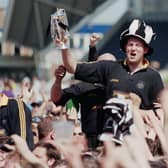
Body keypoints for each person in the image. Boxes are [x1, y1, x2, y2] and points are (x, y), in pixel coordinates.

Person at [55, 19, 164, 129]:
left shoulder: (153, 76)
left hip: (139, 139)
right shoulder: (110, 67)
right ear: (125, 47)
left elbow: (160, 112)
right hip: (109, 138)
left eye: (137, 45)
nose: (133, 48)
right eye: (130, 44)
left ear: (145, 50)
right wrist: (64, 46)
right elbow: (72, 67)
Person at [51, 33, 116, 149]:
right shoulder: (84, 88)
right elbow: (57, 99)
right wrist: (58, 80)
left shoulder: (124, 85)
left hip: (117, 141)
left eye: (111, 66)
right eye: (102, 66)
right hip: (91, 143)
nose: (107, 70)